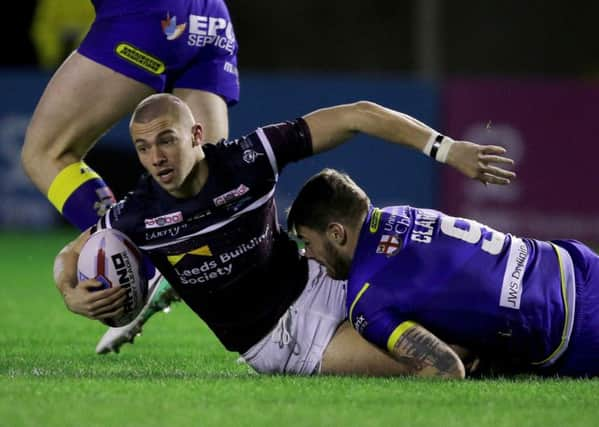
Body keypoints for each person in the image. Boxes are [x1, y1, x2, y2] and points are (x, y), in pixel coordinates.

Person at [53, 94, 515, 376]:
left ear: (196, 134)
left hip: (324, 280)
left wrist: (447, 148)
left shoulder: (249, 159)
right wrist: (72, 296)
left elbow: (357, 114)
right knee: (446, 361)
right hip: (281, 337)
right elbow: (68, 259)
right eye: (143, 147)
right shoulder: (137, 213)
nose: (156, 157)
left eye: (166, 139)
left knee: (468, 314)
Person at [21, 0, 240, 353]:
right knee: (207, 195)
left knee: (46, 152)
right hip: (211, 19)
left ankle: (144, 260)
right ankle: (302, 314)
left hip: (145, 15)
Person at [286, 168, 599, 378]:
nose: (307, 254)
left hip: (569, 327)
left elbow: (446, 368)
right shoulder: (398, 214)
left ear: (336, 233)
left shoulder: (366, 298)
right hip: (568, 260)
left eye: (309, 242)